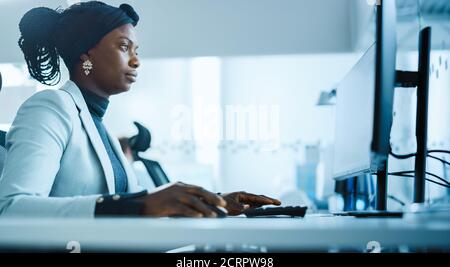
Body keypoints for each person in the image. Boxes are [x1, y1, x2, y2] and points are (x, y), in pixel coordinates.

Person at [0, 1, 280, 218]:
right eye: (124, 48)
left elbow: (134, 217)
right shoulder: (50, 107)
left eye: (137, 51)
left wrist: (213, 203)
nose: (136, 62)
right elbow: (12, 210)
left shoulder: (97, 124)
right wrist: (139, 204)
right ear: (86, 54)